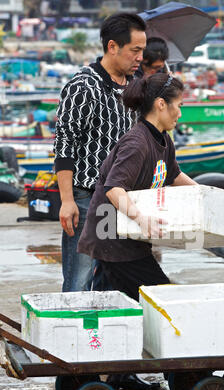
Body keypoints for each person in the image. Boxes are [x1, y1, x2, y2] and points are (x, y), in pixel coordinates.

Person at [77, 73, 198, 390]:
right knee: (161, 297)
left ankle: (117, 374)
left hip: (127, 238)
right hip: (113, 238)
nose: (180, 113)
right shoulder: (136, 142)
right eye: (178, 106)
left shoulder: (162, 140)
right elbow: (115, 189)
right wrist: (142, 218)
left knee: (116, 305)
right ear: (161, 105)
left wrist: (209, 196)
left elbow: (175, 176)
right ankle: (170, 368)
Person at [54, 13, 147, 293]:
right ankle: (70, 332)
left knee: (113, 278)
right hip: (86, 198)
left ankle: (102, 334)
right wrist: (67, 201)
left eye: (143, 50)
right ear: (112, 47)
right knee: (79, 278)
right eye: (135, 50)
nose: (140, 57)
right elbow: (64, 143)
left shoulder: (133, 85)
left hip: (121, 197)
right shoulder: (84, 85)